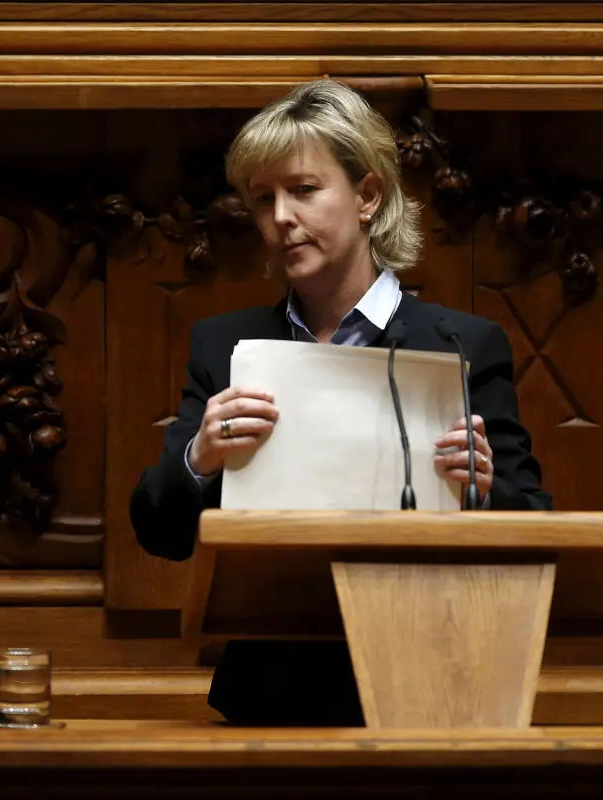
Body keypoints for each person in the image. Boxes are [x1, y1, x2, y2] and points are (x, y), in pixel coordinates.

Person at [129, 79, 552, 726]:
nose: (280, 219)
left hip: (433, 680)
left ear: (367, 195)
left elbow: (535, 527)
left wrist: (484, 491)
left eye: (302, 190)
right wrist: (198, 458)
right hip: (270, 693)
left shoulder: (464, 344)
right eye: (263, 198)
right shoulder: (225, 347)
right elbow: (158, 531)